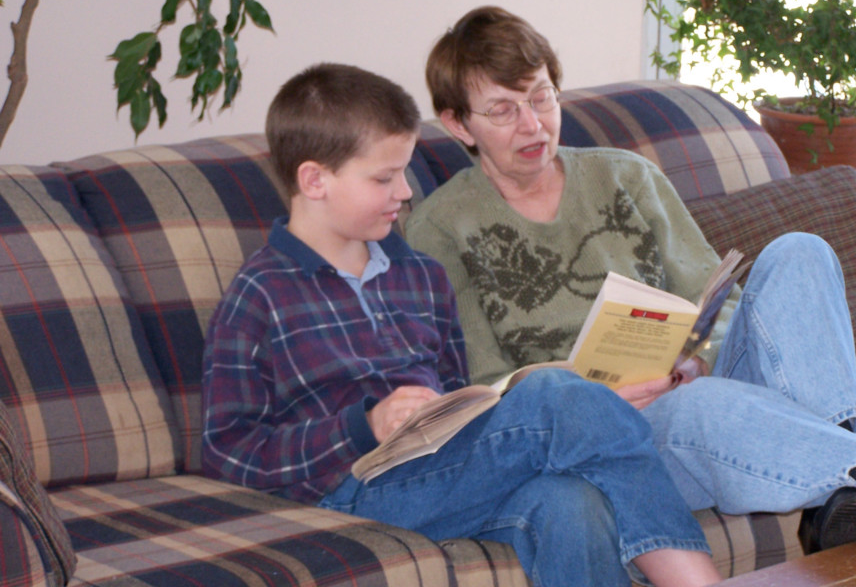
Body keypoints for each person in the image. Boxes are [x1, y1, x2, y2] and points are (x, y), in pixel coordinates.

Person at [404, 5, 856, 561]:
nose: (532, 125)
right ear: (458, 125)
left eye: (540, 98)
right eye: (503, 111)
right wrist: (596, 401)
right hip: (609, 441)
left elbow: (712, 294)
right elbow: (481, 387)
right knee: (695, 405)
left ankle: (841, 498)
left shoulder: (625, 176)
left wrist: (695, 357)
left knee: (800, 251)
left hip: (694, 384)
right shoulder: (440, 227)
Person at [200, 63, 726, 587]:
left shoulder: (421, 276)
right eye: (384, 178)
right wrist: (365, 425)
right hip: (348, 492)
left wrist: (464, 406)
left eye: (404, 173)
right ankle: (693, 580)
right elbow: (227, 452)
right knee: (556, 394)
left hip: (442, 475)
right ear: (314, 180)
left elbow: (457, 390)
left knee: (572, 501)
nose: (405, 192)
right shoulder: (261, 294)